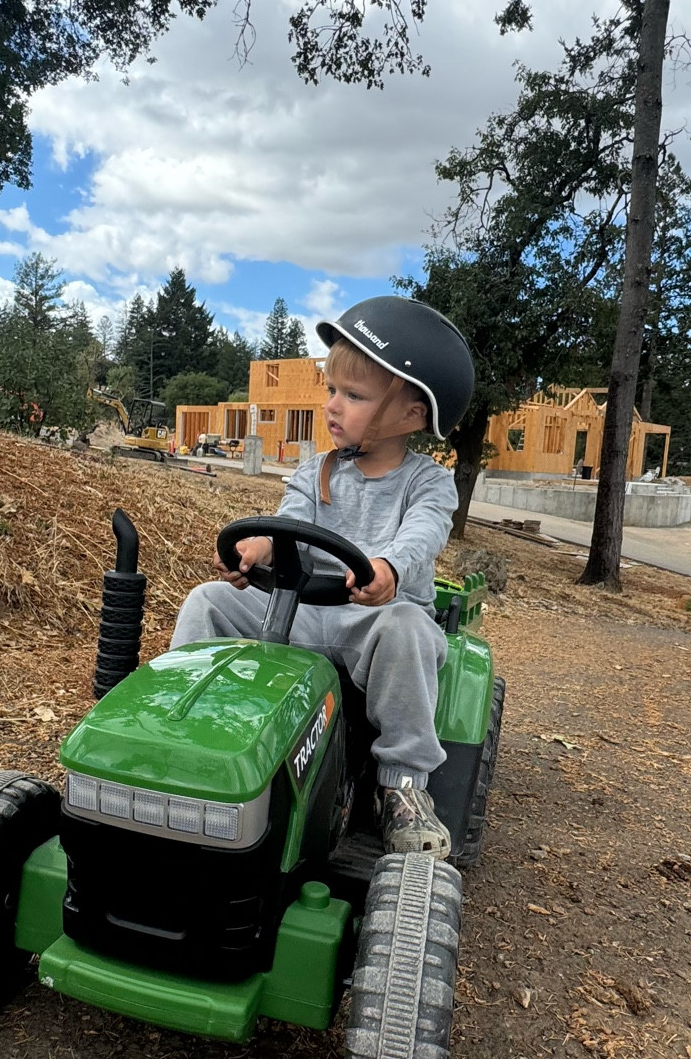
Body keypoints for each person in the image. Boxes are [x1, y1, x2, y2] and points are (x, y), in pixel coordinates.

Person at [170, 296, 475, 858]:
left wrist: (389, 569)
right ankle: (182, 734)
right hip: (304, 613)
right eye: (331, 390)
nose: (333, 406)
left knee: (409, 626)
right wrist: (259, 548)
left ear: (413, 414)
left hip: (374, 623)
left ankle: (403, 787)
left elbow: (424, 534)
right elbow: (290, 520)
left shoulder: (427, 483)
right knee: (208, 601)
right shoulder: (318, 470)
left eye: (353, 396)